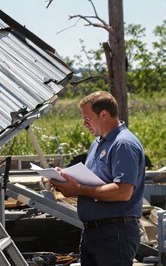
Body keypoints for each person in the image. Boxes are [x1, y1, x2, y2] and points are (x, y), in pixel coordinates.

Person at [51, 91, 145, 266]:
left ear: (104, 114)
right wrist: (64, 178)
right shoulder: (98, 143)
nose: (84, 123)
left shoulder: (123, 144)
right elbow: (93, 180)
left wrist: (78, 189)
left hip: (114, 233)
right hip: (93, 232)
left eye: (87, 118)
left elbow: (123, 192)